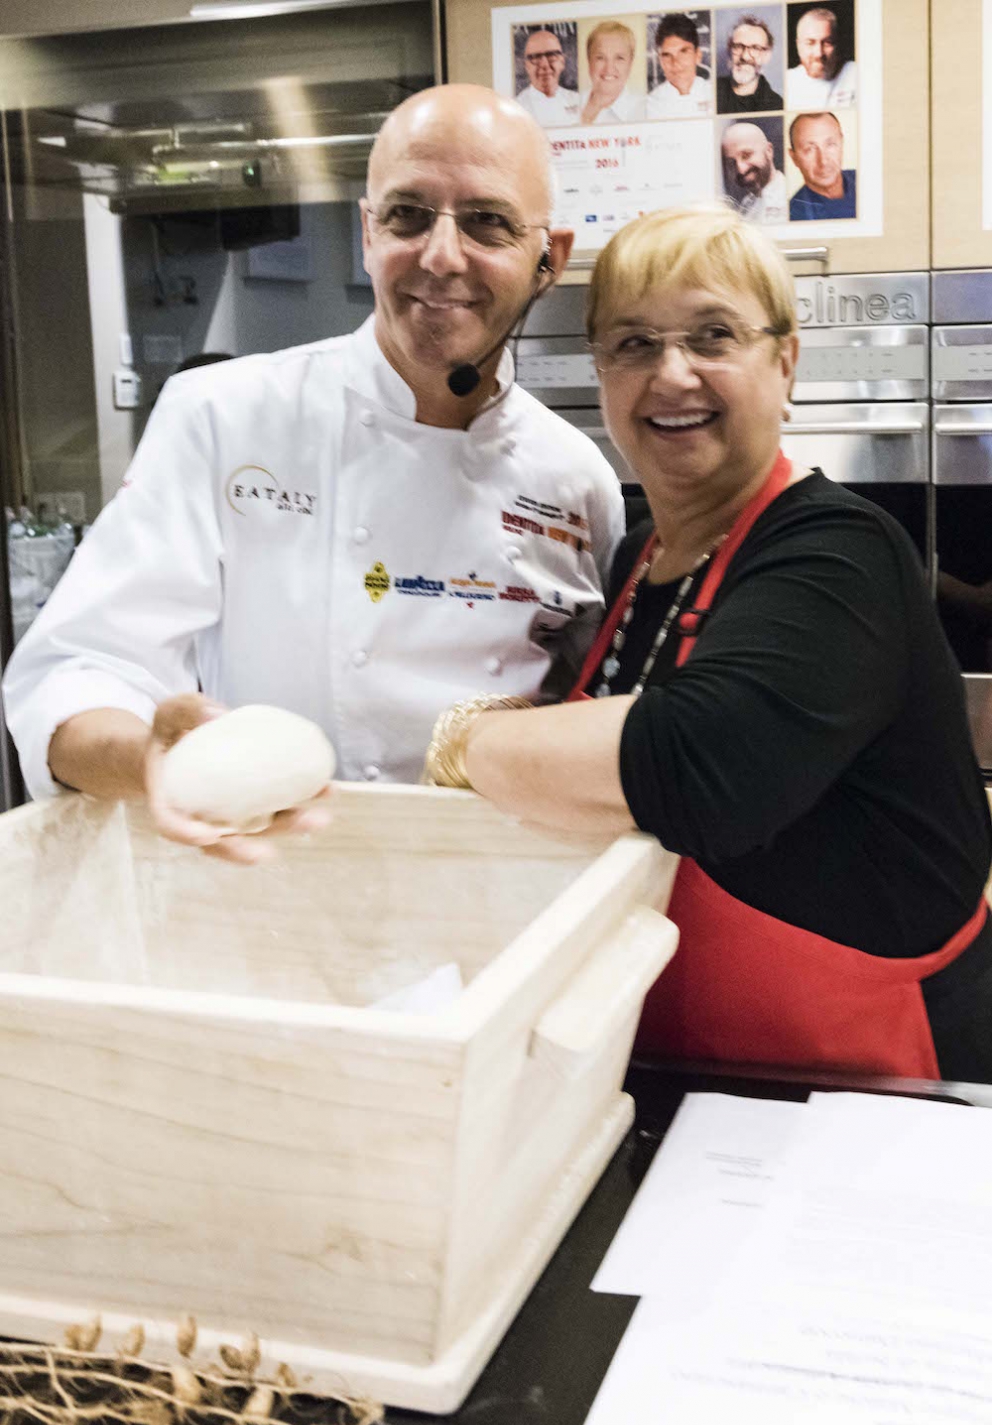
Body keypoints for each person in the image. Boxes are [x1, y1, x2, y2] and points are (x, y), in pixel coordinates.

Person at [423, 202, 992, 1084]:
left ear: (785, 362)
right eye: (634, 344)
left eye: (713, 335)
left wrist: (466, 739)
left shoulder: (838, 552)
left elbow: (703, 763)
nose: (672, 375)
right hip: (676, 1070)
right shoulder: (640, 554)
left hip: (867, 1084)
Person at [2, 84, 623, 863]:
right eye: (407, 214)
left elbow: (585, 718)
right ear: (368, 233)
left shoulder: (577, 480)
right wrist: (152, 761)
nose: (440, 254)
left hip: (489, 913)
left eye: (487, 221)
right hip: (261, 899)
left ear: (549, 258)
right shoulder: (224, 416)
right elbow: (77, 669)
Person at [789, 110, 856, 219]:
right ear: (794, 158)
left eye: (830, 144)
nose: (823, 161)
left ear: (842, 144)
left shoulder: (868, 182)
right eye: (809, 149)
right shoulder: (794, 215)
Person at [786, 5, 857, 108]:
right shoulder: (787, 82)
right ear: (798, 45)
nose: (819, 53)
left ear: (838, 44)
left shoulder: (857, 74)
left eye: (827, 43)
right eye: (810, 43)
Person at [646, 13, 712, 119]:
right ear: (661, 61)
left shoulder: (714, 94)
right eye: (667, 55)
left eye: (683, 51)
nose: (675, 62)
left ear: (698, 55)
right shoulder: (649, 105)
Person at [579, 21, 646, 125]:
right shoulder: (571, 103)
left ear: (630, 63)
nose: (609, 69)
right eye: (600, 58)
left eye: (619, 58)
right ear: (589, 60)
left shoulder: (643, 112)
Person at [720, 120, 788, 223]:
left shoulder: (790, 198)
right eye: (732, 162)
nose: (741, 170)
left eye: (746, 155)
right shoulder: (747, 203)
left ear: (769, 151)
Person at [716, 14, 783, 113]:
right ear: (729, 50)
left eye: (755, 48)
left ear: (767, 56)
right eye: (738, 46)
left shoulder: (777, 106)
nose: (745, 56)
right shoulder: (711, 91)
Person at [516, 27, 580, 127]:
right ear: (526, 66)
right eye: (535, 57)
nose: (544, 64)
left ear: (562, 62)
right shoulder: (516, 108)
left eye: (551, 55)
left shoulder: (578, 101)